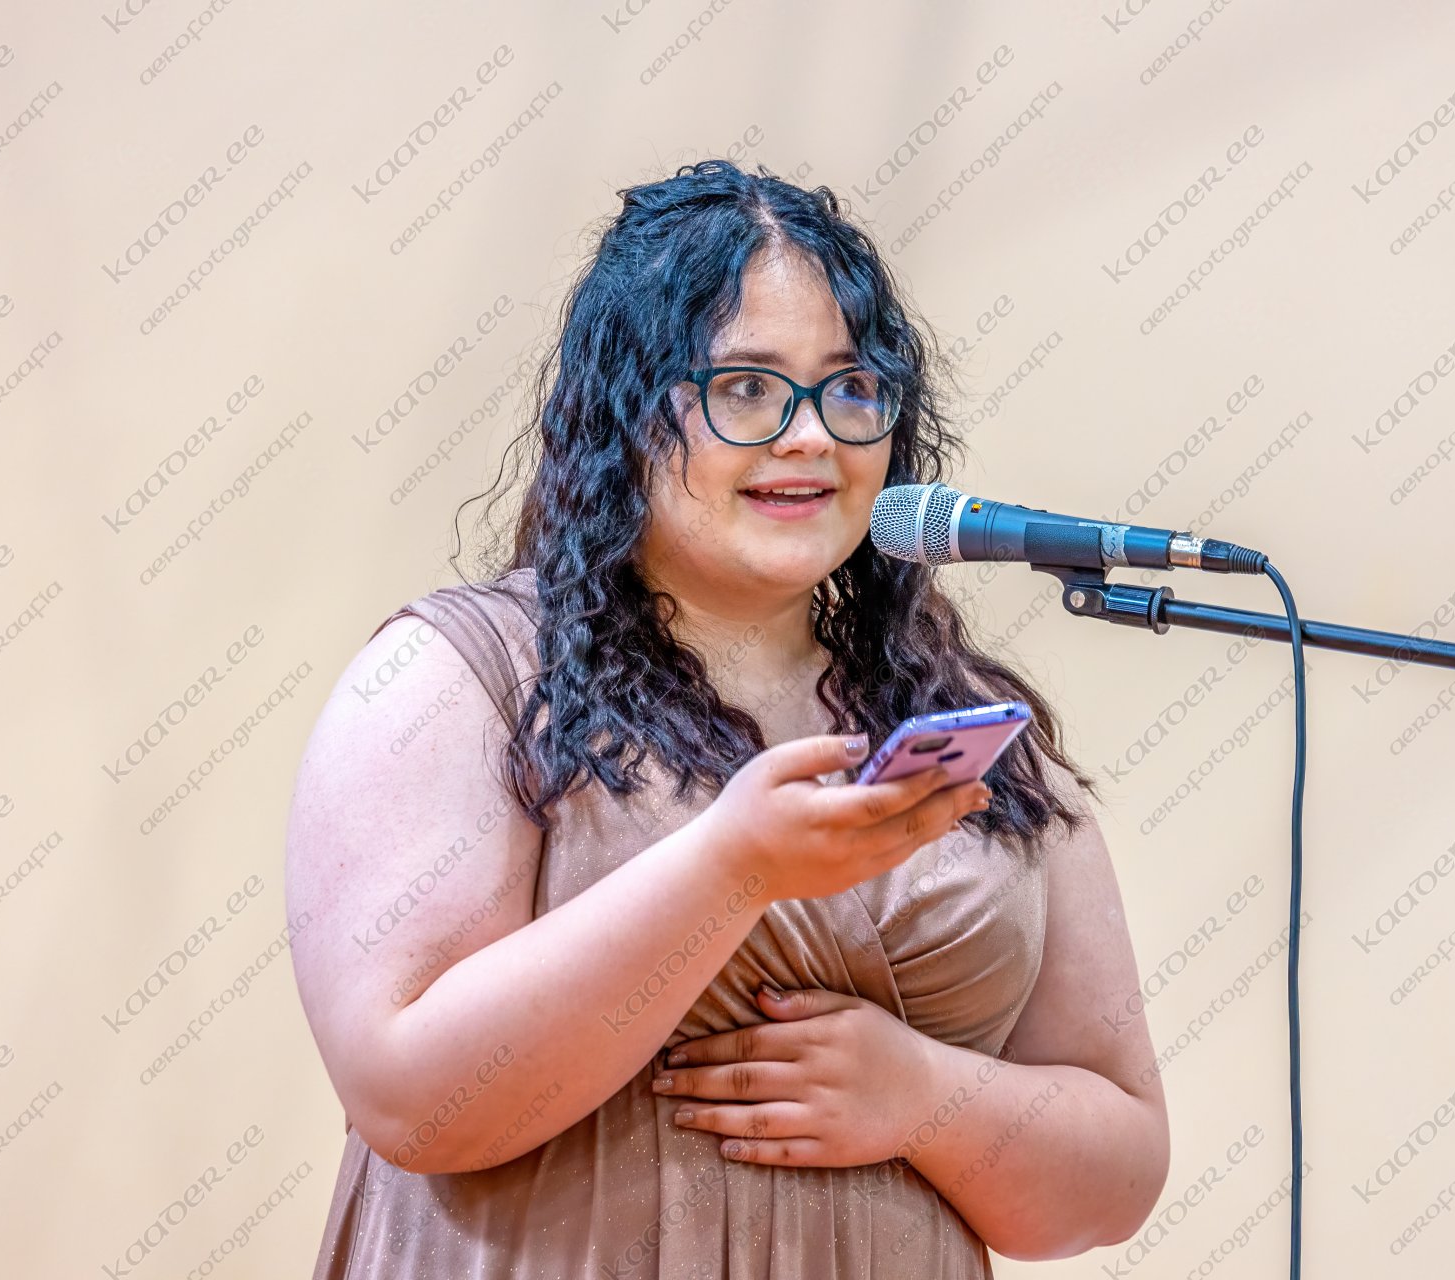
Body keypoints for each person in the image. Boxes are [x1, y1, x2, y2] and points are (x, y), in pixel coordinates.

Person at [284, 158, 1169, 1278]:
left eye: (851, 388)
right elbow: (411, 1101)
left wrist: (923, 1096)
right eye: (746, 387)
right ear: (624, 412)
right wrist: (729, 871)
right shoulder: (460, 675)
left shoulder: (966, 718)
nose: (811, 437)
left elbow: (1116, 1177)